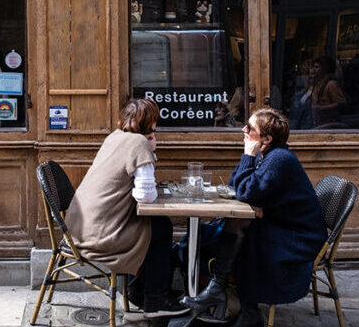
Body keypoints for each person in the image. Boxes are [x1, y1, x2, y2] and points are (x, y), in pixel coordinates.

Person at [180, 108, 326, 327]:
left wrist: (248, 157)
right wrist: (250, 169)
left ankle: (242, 306)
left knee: (246, 232)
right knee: (239, 223)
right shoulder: (267, 156)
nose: (243, 129)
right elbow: (235, 184)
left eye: (250, 128)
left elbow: (246, 192)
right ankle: (224, 294)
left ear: (266, 138)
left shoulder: (279, 159)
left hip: (298, 238)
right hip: (281, 225)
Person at [64, 98, 188, 318]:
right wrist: (150, 149)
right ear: (149, 121)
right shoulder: (139, 144)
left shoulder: (114, 137)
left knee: (157, 225)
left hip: (80, 228)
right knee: (160, 228)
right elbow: (145, 195)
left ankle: (139, 292)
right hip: (102, 234)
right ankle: (155, 300)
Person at [309, 56, 347, 128]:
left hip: (329, 124)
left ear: (324, 68)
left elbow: (341, 103)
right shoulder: (316, 84)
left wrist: (322, 108)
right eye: (313, 67)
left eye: (317, 67)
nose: (313, 70)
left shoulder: (331, 84)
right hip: (318, 123)